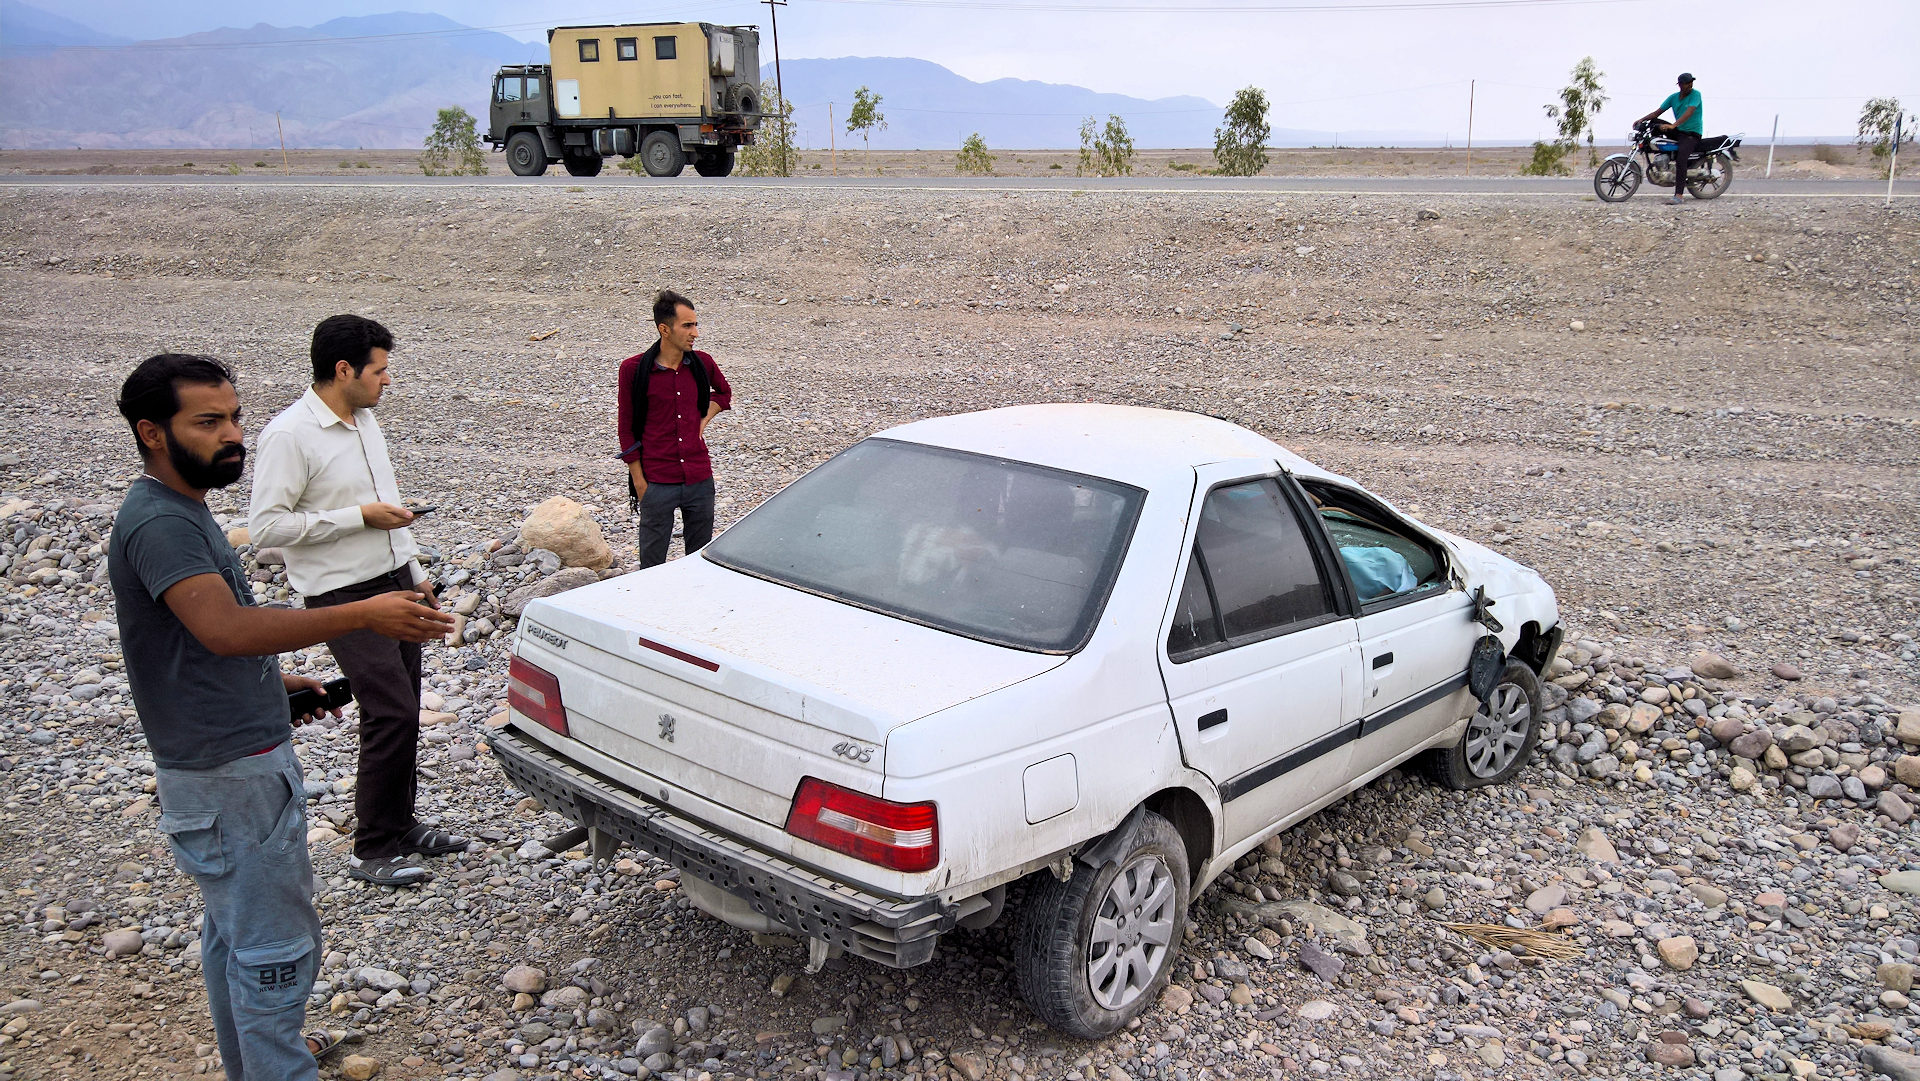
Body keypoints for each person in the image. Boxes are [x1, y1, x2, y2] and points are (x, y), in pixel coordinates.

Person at [110, 354, 454, 1081]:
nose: (233, 434)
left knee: (234, 935)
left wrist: (277, 682)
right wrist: (363, 614)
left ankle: (259, 1062)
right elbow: (226, 630)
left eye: (234, 416)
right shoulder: (162, 525)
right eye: (208, 422)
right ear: (151, 432)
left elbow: (209, 642)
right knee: (273, 948)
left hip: (222, 760)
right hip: (229, 778)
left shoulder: (180, 510)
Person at [250, 315, 467, 888]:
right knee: (389, 709)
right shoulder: (289, 435)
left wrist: (415, 573)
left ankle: (400, 825)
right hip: (342, 594)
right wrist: (357, 518)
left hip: (394, 578)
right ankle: (370, 847)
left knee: (406, 704)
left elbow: (388, 505)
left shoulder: (365, 420)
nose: (387, 381)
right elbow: (267, 527)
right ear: (343, 369)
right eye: (380, 369)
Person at [616, 290, 734, 568]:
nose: (695, 332)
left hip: (699, 478)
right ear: (664, 329)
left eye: (696, 324)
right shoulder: (633, 369)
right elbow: (626, 430)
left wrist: (704, 418)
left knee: (699, 561)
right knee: (652, 565)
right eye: (687, 326)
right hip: (656, 481)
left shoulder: (702, 363)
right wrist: (640, 483)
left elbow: (723, 393)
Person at [1639, 72, 1704, 205]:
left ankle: (1679, 195)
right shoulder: (1673, 97)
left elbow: (1689, 112)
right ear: (1680, 85)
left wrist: (1673, 125)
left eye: (1691, 82)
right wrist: (1641, 119)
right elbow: (1657, 112)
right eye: (1687, 83)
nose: (1690, 85)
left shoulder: (1695, 95)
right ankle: (1662, 157)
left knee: (1681, 159)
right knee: (1655, 123)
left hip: (1692, 134)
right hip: (1679, 131)